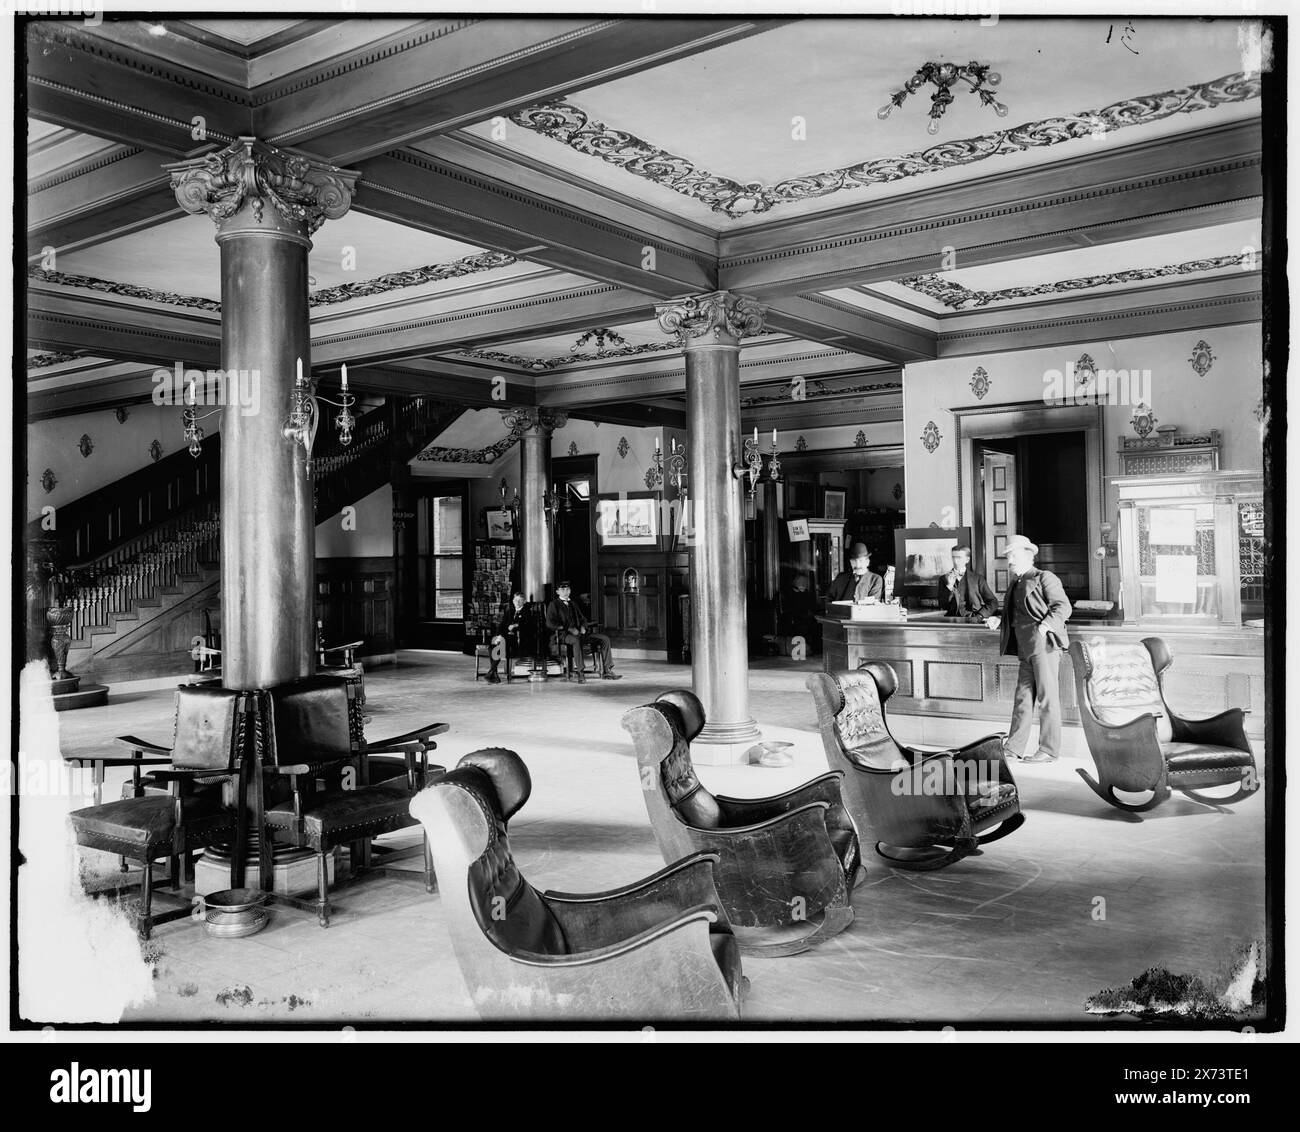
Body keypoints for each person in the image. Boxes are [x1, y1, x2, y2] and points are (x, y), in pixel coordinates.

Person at [985, 535, 1072, 764]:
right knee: (1023, 697)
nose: (1009, 560)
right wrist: (998, 621)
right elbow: (1013, 613)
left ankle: (1049, 750)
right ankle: (1014, 748)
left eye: (1013, 555)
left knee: (1047, 697)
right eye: (1008, 556)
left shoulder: (1045, 577)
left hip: (1044, 645)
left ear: (1028, 555)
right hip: (1025, 647)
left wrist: (1045, 626)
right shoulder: (1015, 581)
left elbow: (1063, 607)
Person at [545, 581, 621, 682]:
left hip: (580, 633)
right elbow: (550, 624)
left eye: (567, 589)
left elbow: (583, 619)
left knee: (604, 639)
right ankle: (581, 673)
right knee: (576, 640)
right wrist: (569, 628)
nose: (566, 592)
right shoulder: (554, 604)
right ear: (557, 592)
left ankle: (607, 670)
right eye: (563, 590)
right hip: (564, 635)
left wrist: (583, 627)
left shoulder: (573, 603)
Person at [940, 545, 998, 620]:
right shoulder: (943, 579)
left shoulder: (978, 579)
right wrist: (949, 587)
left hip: (973, 621)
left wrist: (980, 616)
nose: (955, 561)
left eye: (959, 557)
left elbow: (993, 602)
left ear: (967, 559)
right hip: (951, 621)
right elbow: (942, 605)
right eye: (953, 557)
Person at [486, 592, 528, 684]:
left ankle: (492, 673)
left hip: (517, 640)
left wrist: (515, 625)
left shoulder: (527, 612)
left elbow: (527, 626)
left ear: (524, 601)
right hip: (505, 638)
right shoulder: (509, 611)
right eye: (516, 600)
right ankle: (494, 674)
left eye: (520, 600)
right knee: (491, 647)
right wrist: (499, 635)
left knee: (499, 646)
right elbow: (501, 626)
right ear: (513, 601)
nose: (517, 602)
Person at [826, 542, 883, 607]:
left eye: (861, 561)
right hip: (841, 616)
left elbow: (873, 605)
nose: (858, 565)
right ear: (850, 562)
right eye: (854, 561)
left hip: (864, 616)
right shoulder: (841, 578)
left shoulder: (875, 579)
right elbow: (829, 599)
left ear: (867, 562)